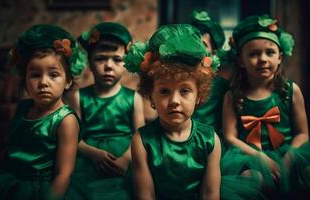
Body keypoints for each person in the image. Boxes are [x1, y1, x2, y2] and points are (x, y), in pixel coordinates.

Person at [221, 14, 310, 199]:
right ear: (240, 61)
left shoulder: (291, 91)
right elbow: (230, 137)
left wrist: (288, 159)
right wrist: (260, 158)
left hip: (290, 153)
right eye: (253, 54)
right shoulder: (233, 96)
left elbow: (302, 134)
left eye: (270, 52)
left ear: (280, 58)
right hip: (251, 156)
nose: (262, 59)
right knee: (251, 180)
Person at [125, 24, 221, 199]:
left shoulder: (210, 140)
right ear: (151, 96)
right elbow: (146, 195)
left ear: (199, 95)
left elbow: (210, 194)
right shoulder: (142, 141)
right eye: (164, 91)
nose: (174, 101)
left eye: (184, 91)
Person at [0, 24, 85, 200]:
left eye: (53, 74)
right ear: (25, 80)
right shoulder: (22, 108)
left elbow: (64, 174)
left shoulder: (66, 120)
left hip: (41, 188)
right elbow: (10, 148)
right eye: (35, 75)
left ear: (67, 81)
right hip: (9, 180)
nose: (43, 82)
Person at [68, 22, 145, 199]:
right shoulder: (79, 97)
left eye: (117, 59)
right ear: (89, 62)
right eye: (101, 58)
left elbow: (140, 136)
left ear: (125, 62)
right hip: (89, 161)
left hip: (126, 158)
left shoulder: (134, 98)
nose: (108, 65)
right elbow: (73, 138)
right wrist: (93, 153)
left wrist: (126, 159)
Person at [190, 11, 231, 136]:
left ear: (213, 52)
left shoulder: (222, 86)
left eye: (202, 45)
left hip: (210, 141)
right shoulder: (177, 78)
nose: (195, 49)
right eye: (192, 42)